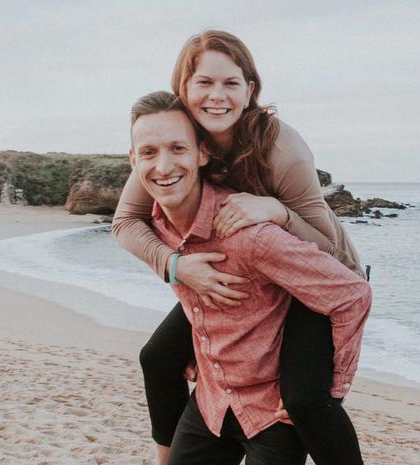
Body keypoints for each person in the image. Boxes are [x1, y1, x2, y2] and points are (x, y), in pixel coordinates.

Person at [113, 30, 368, 465]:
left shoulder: (281, 149)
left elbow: (333, 260)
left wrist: (278, 211)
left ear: (250, 91)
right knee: (158, 359)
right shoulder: (170, 144)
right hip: (250, 266)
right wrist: (176, 266)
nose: (217, 96)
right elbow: (126, 223)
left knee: (305, 400)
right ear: (183, 88)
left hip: (318, 270)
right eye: (203, 83)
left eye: (230, 83)